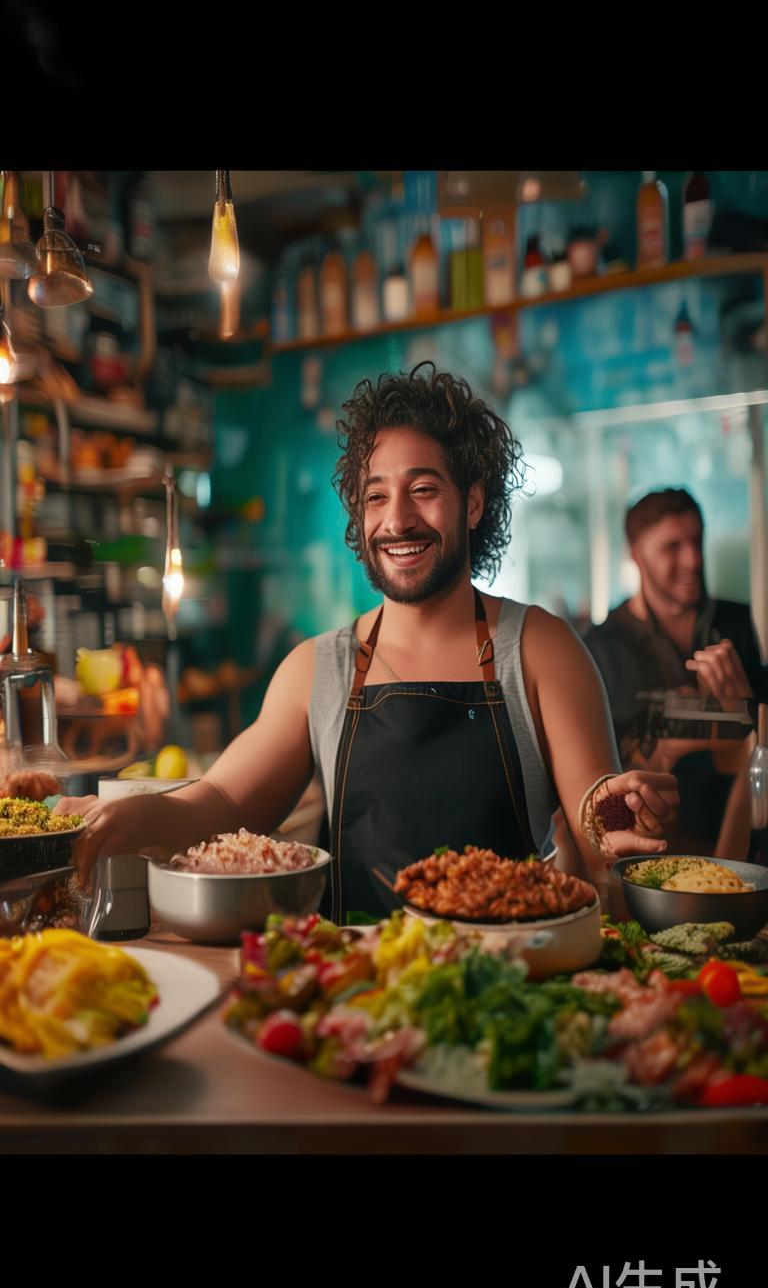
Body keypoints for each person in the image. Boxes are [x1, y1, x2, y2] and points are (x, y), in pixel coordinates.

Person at [55, 364, 678, 919]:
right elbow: (221, 798)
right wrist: (140, 815)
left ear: (474, 503)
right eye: (376, 495)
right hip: (356, 990)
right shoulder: (317, 668)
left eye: (424, 489)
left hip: (501, 982)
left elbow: (596, 811)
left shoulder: (539, 648)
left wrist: (622, 810)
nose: (397, 519)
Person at [583, 487, 767, 855]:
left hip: (748, 847)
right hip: (649, 854)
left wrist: (747, 709)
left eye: (697, 541)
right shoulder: (601, 647)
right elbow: (600, 774)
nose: (693, 559)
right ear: (636, 554)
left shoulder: (741, 624)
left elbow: (760, 748)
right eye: (672, 547)